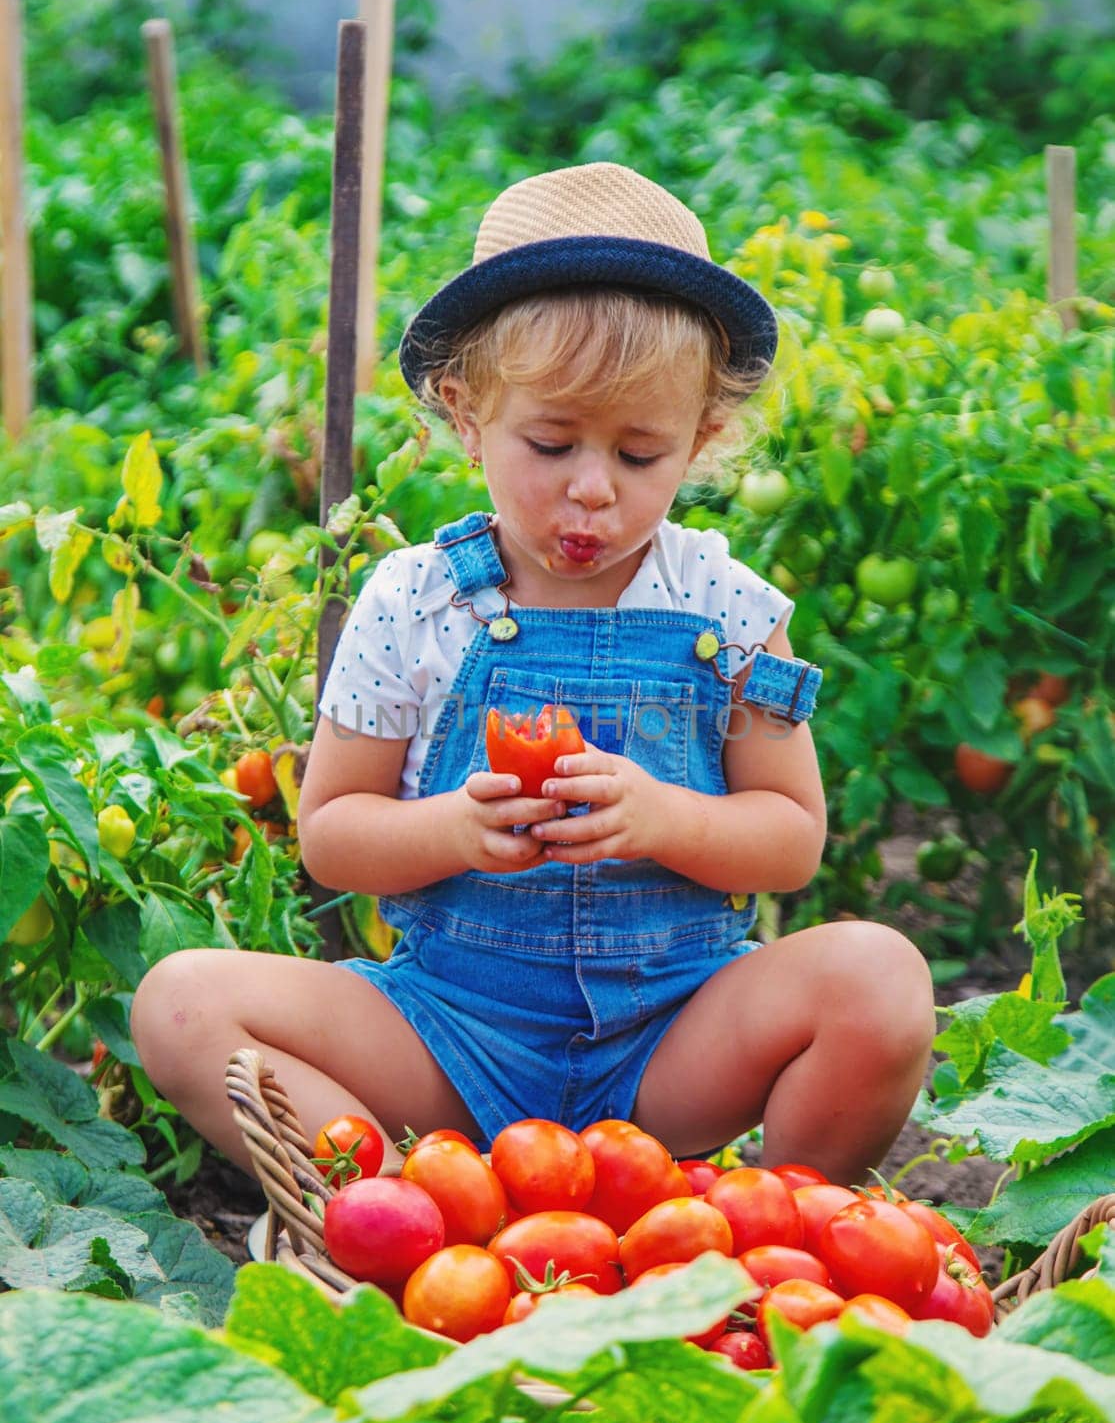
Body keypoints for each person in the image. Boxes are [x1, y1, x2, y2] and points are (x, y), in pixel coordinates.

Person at [132, 162, 935, 1185]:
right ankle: (399, 1220)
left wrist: (663, 816)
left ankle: (780, 1231)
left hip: (671, 1041)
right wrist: (449, 829)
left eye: (641, 456)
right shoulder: (416, 600)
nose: (591, 490)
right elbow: (332, 833)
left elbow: (788, 839)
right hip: (447, 1035)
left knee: (878, 979)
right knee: (182, 1002)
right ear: (465, 415)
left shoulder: (727, 606)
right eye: (549, 443)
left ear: (701, 438)